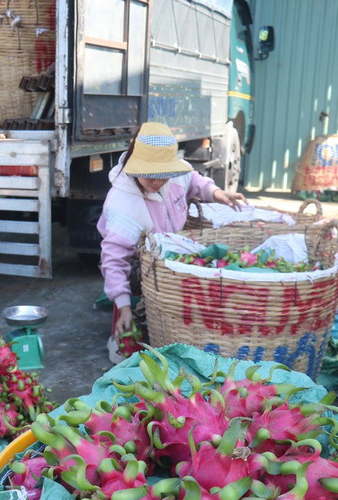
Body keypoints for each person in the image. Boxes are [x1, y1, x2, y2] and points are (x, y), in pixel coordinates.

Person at [97, 122, 247, 351]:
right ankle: (122, 332)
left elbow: (195, 181)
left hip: (168, 248)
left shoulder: (175, 177)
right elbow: (114, 260)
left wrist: (216, 193)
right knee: (145, 282)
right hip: (136, 258)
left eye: (163, 175)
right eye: (150, 176)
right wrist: (124, 305)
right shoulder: (122, 203)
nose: (157, 182)